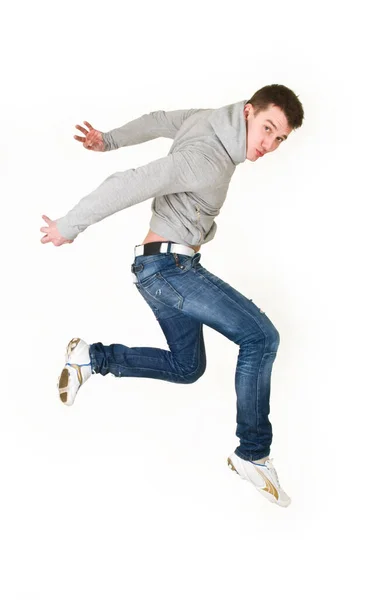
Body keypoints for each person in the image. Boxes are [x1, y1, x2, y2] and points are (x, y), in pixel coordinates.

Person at [40, 84, 304, 507]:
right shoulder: (207, 159)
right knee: (261, 338)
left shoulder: (210, 119)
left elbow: (160, 120)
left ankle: (92, 357)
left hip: (159, 269)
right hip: (170, 270)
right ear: (250, 112)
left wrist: (109, 139)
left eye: (280, 139)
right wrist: (70, 225)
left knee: (187, 367)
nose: (269, 145)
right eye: (268, 129)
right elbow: (132, 182)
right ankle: (253, 454)